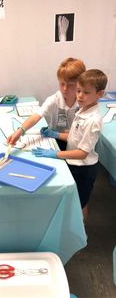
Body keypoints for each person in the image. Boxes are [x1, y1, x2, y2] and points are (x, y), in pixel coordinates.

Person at [32, 69, 108, 221]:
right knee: (74, 198)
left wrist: (56, 154)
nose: (80, 96)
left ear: (99, 94)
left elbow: (83, 152)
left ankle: (81, 233)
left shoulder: (93, 120)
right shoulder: (82, 111)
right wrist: (55, 135)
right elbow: (74, 137)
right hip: (74, 163)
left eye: (86, 92)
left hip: (84, 168)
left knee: (80, 203)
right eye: (79, 91)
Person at [7, 57, 86, 150]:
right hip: (56, 140)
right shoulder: (54, 99)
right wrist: (20, 131)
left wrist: (57, 134)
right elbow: (36, 116)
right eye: (62, 84)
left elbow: (80, 137)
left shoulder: (85, 103)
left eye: (70, 85)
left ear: (80, 84)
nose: (65, 89)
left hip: (76, 144)